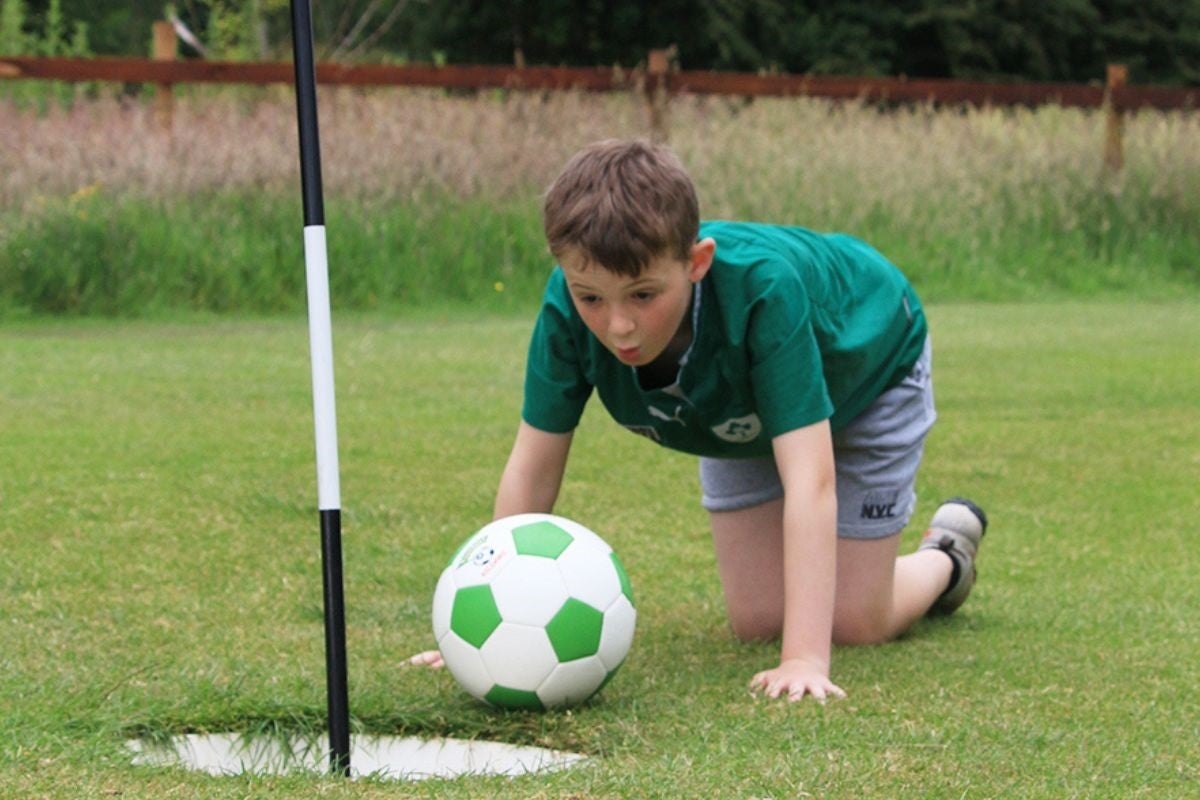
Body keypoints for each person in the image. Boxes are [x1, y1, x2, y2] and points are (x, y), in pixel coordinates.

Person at [414, 138, 988, 702]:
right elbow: (533, 466)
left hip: (869, 362)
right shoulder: (565, 306)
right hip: (737, 410)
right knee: (760, 619)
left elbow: (810, 481)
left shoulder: (766, 290)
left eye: (642, 295)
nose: (618, 326)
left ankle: (945, 557)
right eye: (592, 298)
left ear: (696, 263)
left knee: (854, 621)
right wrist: (478, 626)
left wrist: (804, 659)